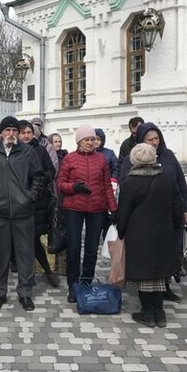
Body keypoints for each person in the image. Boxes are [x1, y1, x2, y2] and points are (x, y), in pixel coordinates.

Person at [119, 122, 187, 301]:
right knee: (150, 256)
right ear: (141, 140)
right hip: (143, 218)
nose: (154, 142)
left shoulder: (168, 156)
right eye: (150, 139)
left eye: (156, 138)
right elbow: (125, 186)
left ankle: (165, 285)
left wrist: (185, 208)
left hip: (168, 214)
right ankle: (150, 294)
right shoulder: (132, 158)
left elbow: (180, 182)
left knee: (169, 251)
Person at [0, 116, 45, 312]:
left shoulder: (27, 152)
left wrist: (30, 197)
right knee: (0, 256)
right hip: (0, 213)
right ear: (1, 133)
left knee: (25, 255)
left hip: (23, 212)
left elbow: (38, 177)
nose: (11, 134)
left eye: (14, 130)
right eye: (7, 130)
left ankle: (25, 293)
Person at [117, 143, 183, 327]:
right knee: (159, 275)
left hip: (139, 236)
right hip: (163, 233)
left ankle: (148, 313)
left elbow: (123, 212)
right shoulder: (167, 179)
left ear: (134, 160)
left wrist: (120, 232)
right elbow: (177, 205)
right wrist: (177, 225)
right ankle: (160, 314)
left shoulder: (130, 183)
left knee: (144, 276)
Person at [56, 125, 117, 304]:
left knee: (91, 250)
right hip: (74, 208)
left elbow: (106, 186)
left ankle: (86, 283)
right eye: (87, 140)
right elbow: (60, 183)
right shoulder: (69, 159)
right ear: (79, 141)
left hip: (97, 209)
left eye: (93, 139)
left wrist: (114, 209)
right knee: (74, 249)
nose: (91, 143)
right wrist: (74, 187)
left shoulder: (102, 160)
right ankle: (73, 286)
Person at [18, 120, 60, 288]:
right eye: (23, 133)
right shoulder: (12, 151)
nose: (27, 135)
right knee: (21, 240)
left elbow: (51, 171)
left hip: (37, 201)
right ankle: (27, 274)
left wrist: (39, 179)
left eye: (29, 132)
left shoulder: (40, 150)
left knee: (34, 238)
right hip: (18, 201)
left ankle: (47, 271)